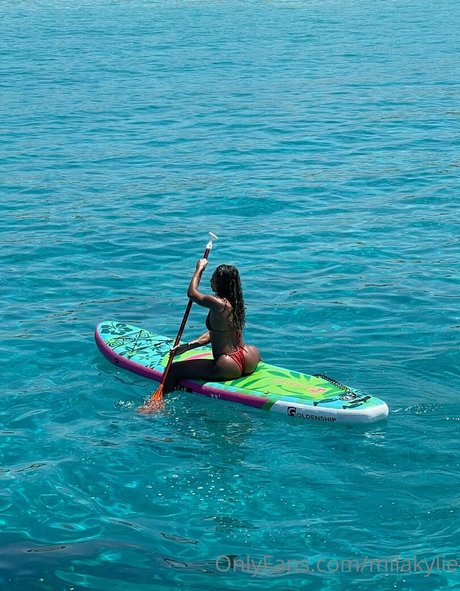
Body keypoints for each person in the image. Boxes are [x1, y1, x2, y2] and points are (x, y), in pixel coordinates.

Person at [162, 259, 260, 394]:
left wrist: (199, 269)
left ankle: (157, 403)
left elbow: (192, 294)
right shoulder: (236, 302)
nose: (210, 281)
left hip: (228, 363)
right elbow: (216, 333)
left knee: (174, 369)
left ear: (220, 283)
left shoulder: (218, 303)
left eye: (213, 278)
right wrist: (189, 346)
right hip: (250, 356)